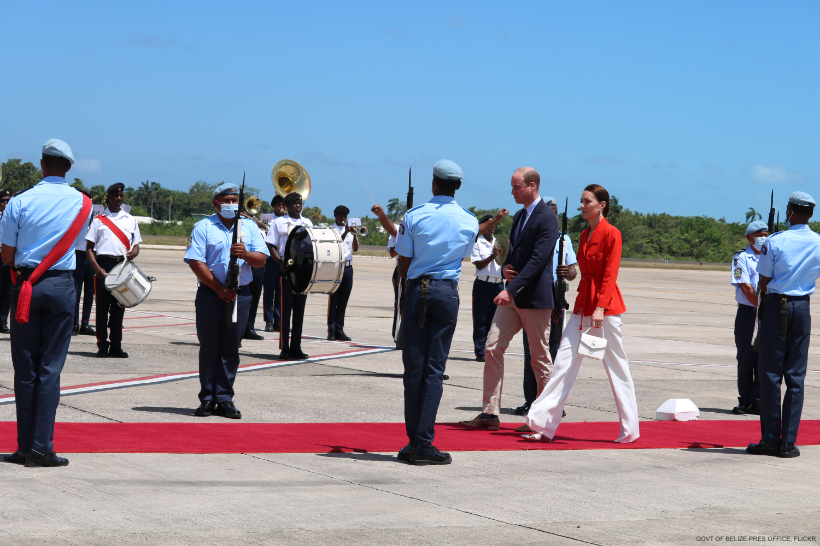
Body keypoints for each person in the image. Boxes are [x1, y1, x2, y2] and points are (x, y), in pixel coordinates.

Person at [523, 184, 639, 444]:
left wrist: (600, 307)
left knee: (617, 368)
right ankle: (544, 425)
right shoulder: (584, 235)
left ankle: (630, 430)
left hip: (605, 310)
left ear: (602, 205)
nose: (582, 205)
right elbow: (582, 274)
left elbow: (610, 275)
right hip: (581, 306)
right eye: (582, 201)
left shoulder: (612, 234)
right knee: (563, 363)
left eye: (587, 201)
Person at [0, 138, 92, 467]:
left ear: (41, 164)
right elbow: (80, 245)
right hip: (62, 285)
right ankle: (42, 448)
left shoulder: (19, 202)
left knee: (25, 371)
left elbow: (7, 254)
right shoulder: (84, 204)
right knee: (49, 370)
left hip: (26, 286)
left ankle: (25, 447)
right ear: (67, 168)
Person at [459, 168, 558, 432]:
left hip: (534, 299)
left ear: (532, 186)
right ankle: (490, 414)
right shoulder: (519, 216)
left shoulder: (547, 218)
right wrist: (505, 269)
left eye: (516, 187)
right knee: (492, 347)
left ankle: (544, 418)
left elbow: (538, 260)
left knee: (539, 359)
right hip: (513, 295)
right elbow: (514, 253)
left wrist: (511, 289)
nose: (512, 192)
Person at [395, 159, 478, 465]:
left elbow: (404, 264)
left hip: (418, 291)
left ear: (434, 184)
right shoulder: (469, 221)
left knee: (413, 369)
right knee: (434, 370)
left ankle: (413, 442)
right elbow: (465, 256)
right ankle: (423, 442)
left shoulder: (415, 215)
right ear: (457, 186)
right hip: (446, 293)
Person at [185, 183, 269, 419]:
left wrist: (245, 254)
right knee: (209, 346)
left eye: (235, 200)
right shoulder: (204, 227)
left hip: (240, 294)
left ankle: (225, 398)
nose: (231, 204)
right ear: (216, 203)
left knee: (231, 347)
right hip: (211, 294)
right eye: (227, 200)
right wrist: (219, 288)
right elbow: (195, 261)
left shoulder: (250, 227)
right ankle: (207, 398)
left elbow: (261, 260)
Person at [747, 192, 820, 459]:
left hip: (778, 305)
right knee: (796, 376)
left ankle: (769, 439)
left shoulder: (776, 241)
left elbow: (764, 279)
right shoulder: (818, 242)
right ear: (810, 213)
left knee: (770, 375)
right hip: (802, 307)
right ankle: (788, 442)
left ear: (789, 212)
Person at [516, 196, 578, 417]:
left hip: (556, 296)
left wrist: (567, 272)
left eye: (554, 214)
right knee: (532, 350)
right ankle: (531, 399)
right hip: (535, 298)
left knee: (553, 350)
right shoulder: (532, 236)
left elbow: (573, 271)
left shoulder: (564, 240)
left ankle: (552, 401)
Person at [85, 183, 142, 358]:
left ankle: (116, 346)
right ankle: (102, 345)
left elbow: (137, 245)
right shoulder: (98, 220)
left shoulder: (130, 219)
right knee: (102, 309)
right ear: (108, 198)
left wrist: (134, 252)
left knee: (119, 307)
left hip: (122, 266)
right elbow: (89, 248)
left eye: (121, 196)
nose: (119, 199)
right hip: (103, 264)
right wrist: (96, 268)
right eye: (116, 196)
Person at [265, 192, 312, 360]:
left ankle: (296, 347)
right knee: (285, 311)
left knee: (299, 312)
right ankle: (284, 348)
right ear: (287, 206)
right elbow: (271, 245)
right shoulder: (278, 222)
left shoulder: (307, 223)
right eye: (294, 203)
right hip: (287, 267)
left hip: (304, 269)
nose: (298, 205)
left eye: (299, 203)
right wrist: (280, 263)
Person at [730, 219, 767, 415]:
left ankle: (758, 399)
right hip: (748, 313)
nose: (763, 238)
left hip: (766, 313)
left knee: (764, 358)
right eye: (760, 235)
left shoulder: (770, 256)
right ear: (749, 237)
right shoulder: (741, 258)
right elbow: (745, 286)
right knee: (746, 357)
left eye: (765, 235)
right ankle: (744, 400)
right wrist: (761, 305)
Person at [470, 214, 503, 362]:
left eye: (494, 225)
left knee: (495, 320)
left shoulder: (500, 242)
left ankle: (491, 349)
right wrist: (492, 256)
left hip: (498, 284)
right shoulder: (477, 242)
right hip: (483, 284)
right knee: (480, 319)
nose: (493, 227)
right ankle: (480, 351)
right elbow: (479, 265)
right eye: (489, 225)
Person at [327, 205, 358, 341]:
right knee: (334, 299)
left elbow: (355, 249)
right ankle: (331, 330)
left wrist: (355, 236)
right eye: (340, 216)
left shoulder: (351, 230)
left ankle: (340, 329)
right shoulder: (331, 230)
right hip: (336, 267)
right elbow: (335, 244)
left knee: (344, 300)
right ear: (335, 216)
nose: (343, 218)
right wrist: (345, 232)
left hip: (348, 268)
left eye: (345, 216)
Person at [72, 189, 95, 336]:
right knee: (76, 291)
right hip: (77, 254)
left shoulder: (95, 218)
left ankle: (85, 323)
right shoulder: (74, 214)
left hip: (91, 255)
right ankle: (74, 323)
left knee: (89, 293)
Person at [263, 195, 286, 332]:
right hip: (270, 258)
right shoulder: (267, 218)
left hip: (282, 258)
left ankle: (279, 320)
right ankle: (269, 321)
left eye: (283, 205)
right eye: (279, 205)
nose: (281, 207)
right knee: (269, 291)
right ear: (274, 206)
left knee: (281, 291)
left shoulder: (286, 220)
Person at [0, 189, 12, 334]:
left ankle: (2, 321)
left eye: (8, 201)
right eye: (3, 200)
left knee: (7, 291)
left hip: (7, 255)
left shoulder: (12, 217)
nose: (5, 203)